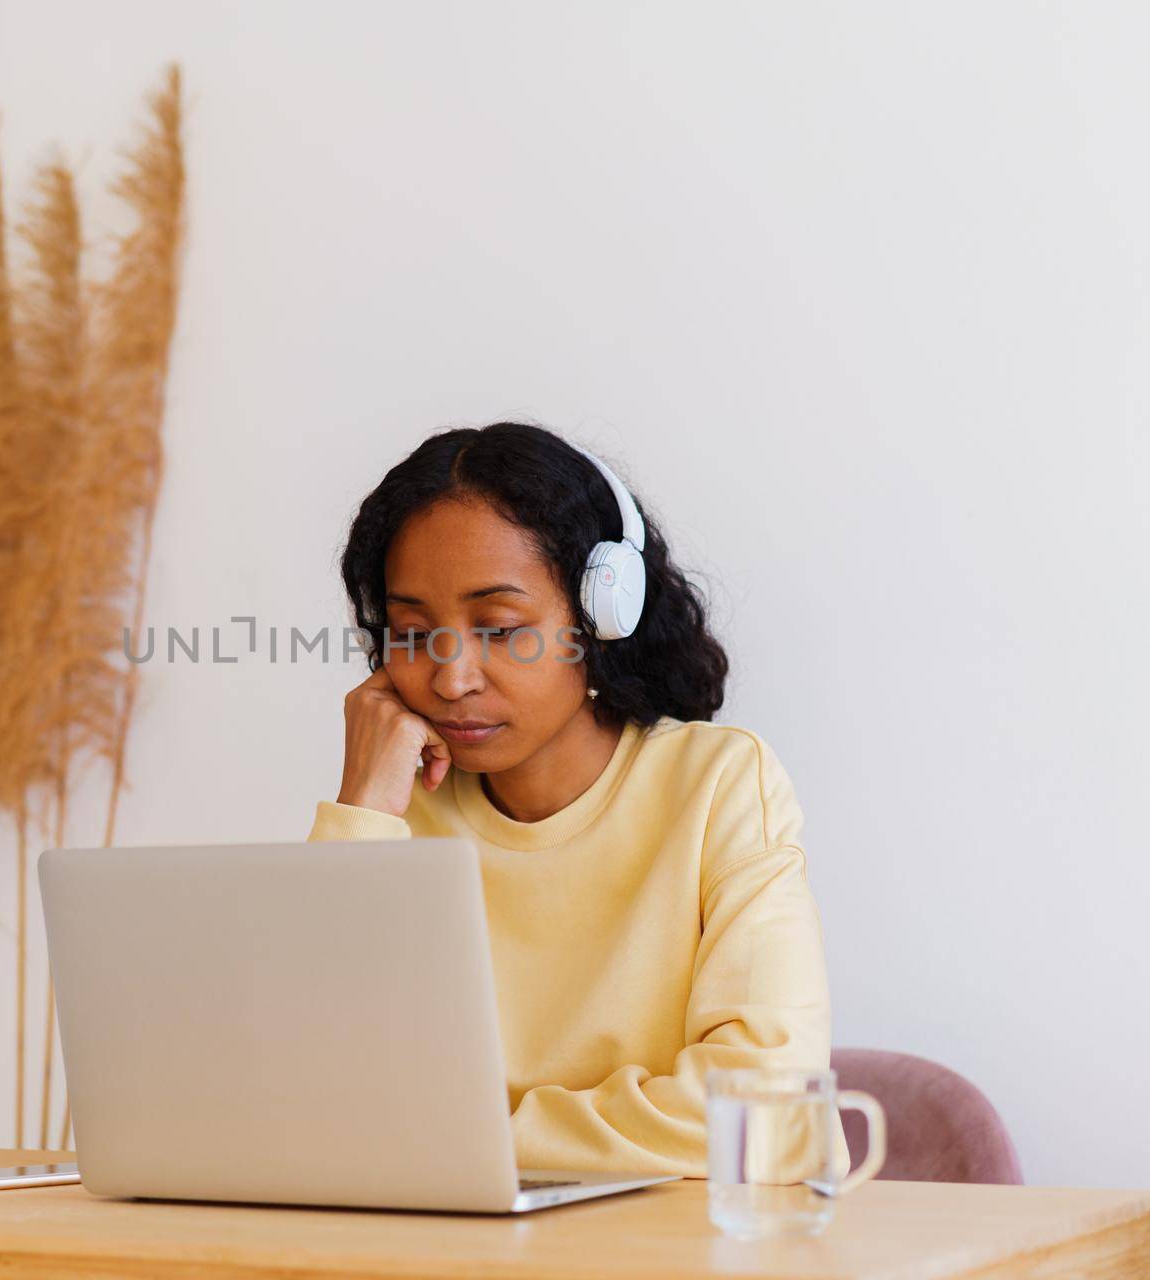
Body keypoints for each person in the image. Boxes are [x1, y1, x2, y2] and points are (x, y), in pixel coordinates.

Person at [307, 421, 842, 1178]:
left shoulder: (718, 786)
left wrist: (457, 1140)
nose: (451, 677)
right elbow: (304, 1099)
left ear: (601, 618)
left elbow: (769, 1113)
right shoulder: (399, 808)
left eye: (498, 628)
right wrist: (360, 811)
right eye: (413, 633)